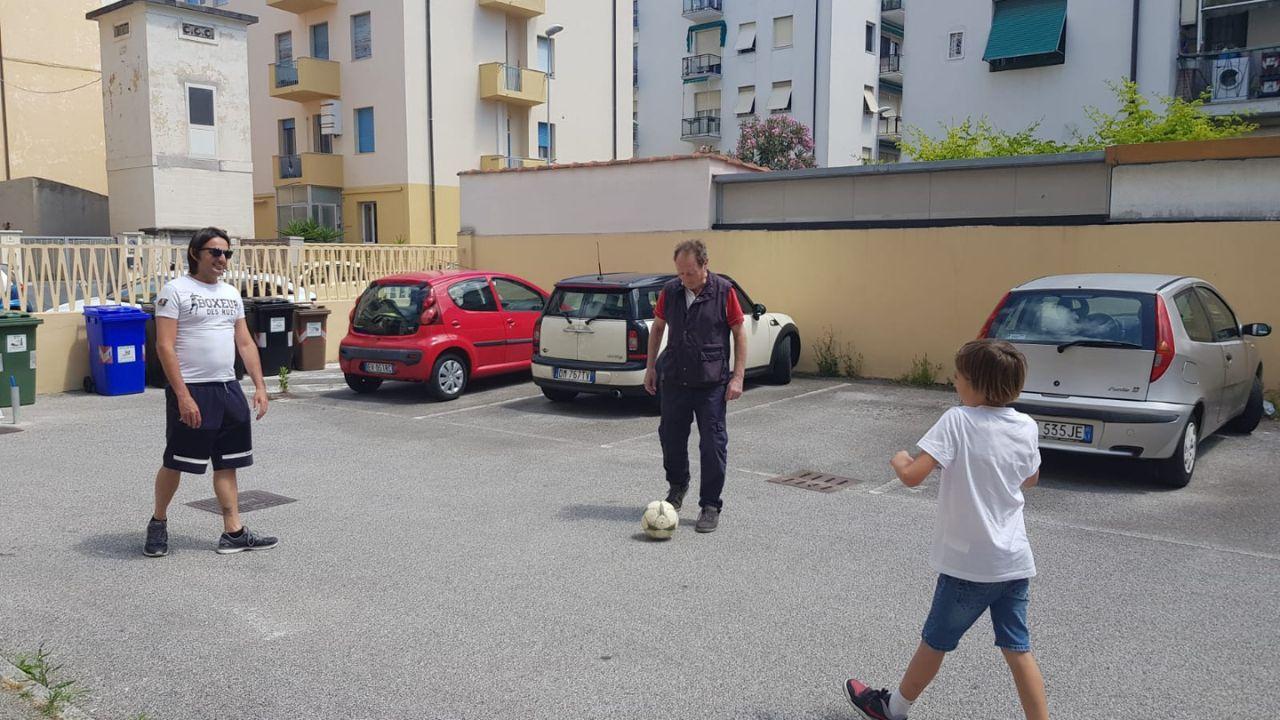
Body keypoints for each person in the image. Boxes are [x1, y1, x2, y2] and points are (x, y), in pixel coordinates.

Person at [844, 339, 1048, 720]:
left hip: (967, 566)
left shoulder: (958, 420)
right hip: (1014, 562)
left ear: (975, 384)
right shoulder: (1026, 425)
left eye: (959, 376)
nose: (954, 381)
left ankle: (894, 708)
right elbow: (1030, 479)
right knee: (1018, 649)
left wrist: (900, 458)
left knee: (935, 642)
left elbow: (912, 476)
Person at [143, 227, 277, 557]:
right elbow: (164, 345)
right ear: (195, 254)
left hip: (228, 389)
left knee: (228, 463)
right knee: (176, 461)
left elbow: (244, 342)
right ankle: (158, 523)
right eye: (215, 252)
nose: (222, 259)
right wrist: (183, 395)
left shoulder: (231, 294)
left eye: (226, 253)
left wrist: (260, 386)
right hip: (192, 390)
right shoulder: (175, 291)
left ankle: (233, 532)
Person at [643, 239, 747, 534]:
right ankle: (677, 488)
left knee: (712, 444)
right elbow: (658, 328)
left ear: (704, 266)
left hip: (711, 383)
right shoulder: (671, 291)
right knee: (670, 438)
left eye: (689, 273)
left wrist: (737, 377)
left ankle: (710, 505)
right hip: (675, 378)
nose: (684, 279)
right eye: (679, 273)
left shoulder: (724, 292)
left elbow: (739, 333)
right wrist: (651, 368)